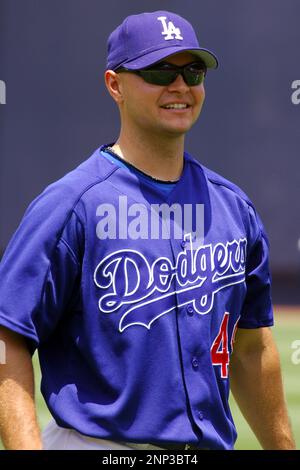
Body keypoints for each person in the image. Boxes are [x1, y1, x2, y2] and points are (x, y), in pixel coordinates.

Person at [0, 10, 295, 451]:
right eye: (159, 71)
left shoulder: (233, 208)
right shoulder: (72, 205)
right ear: (115, 85)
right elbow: (8, 338)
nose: (180, 86)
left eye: (192, 71)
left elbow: (250, 349)